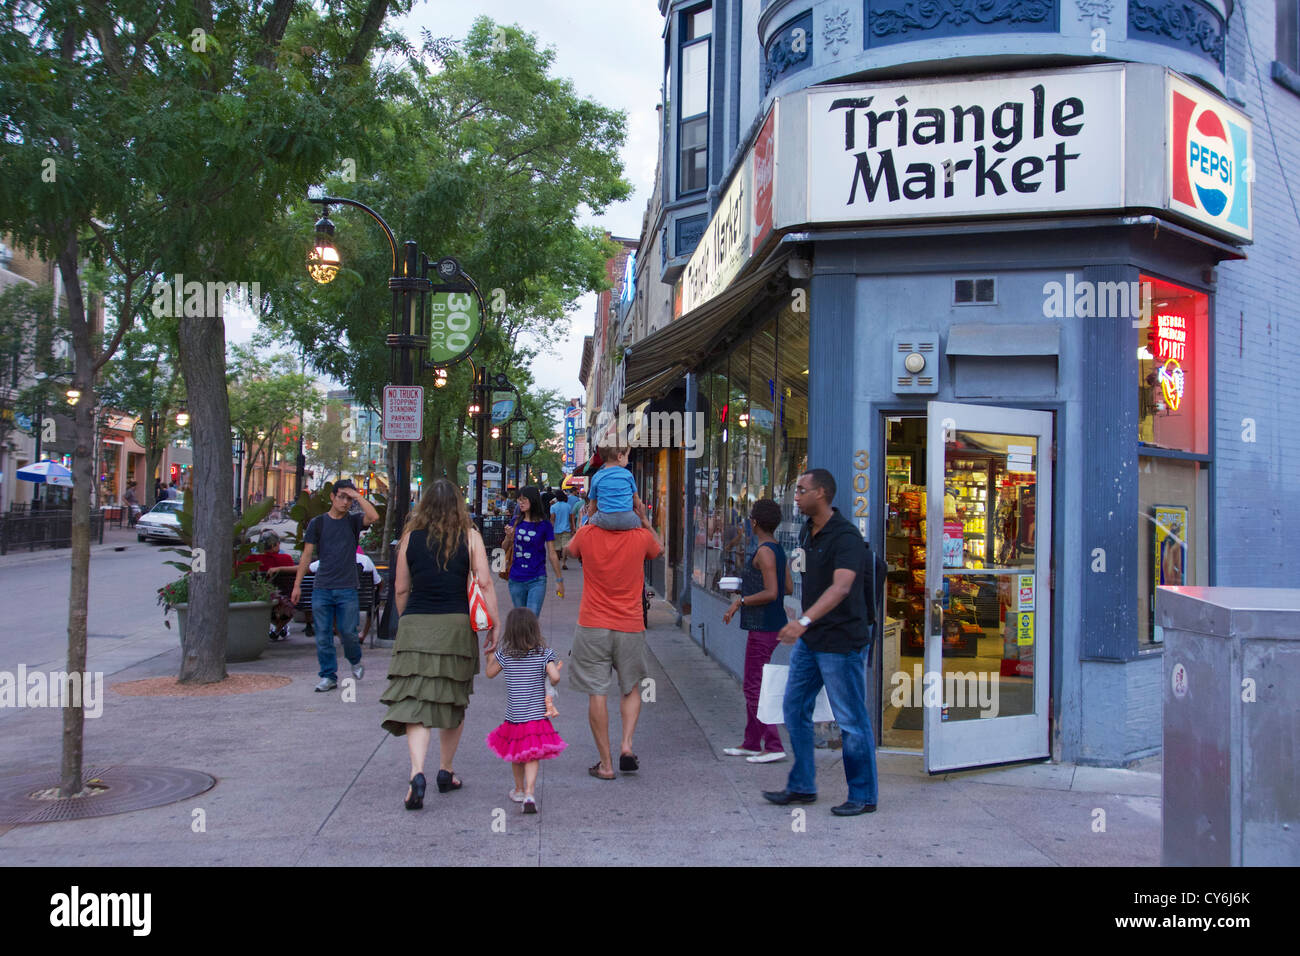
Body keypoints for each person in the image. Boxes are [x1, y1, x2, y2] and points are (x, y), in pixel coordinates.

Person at [763, 468, 879, 817]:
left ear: (822, 494)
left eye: (802, 490)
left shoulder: (846, 537)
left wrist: (803, 621)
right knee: (794, 707)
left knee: (851, 720)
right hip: (812, 641)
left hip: (842, 642)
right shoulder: (807, 531)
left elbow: (841, 587)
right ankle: (802, 785)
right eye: (796, 489)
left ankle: (863, 795)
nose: (795, 496)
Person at [381, 478, 499, 810]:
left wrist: (408, 622)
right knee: (452, 698)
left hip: (416, 624)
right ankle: (445, 771)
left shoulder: (409, 538)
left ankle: (417, 772)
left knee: (416, 701)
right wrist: (495, 623)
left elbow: (401, 589)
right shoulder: (471, 536)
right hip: (456, 625)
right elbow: (486, 583)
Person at [565, 496, 663, 779]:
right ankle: (627, 746)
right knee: (631, 686)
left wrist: (589, 516)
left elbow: (571, 551)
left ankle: (606, 764)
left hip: (593, 624)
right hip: (630, 624)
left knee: (597, 691)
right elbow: (660, 550)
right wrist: (645, 520)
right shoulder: (641, 536)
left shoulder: (587, 534)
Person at [722, 498, 794, 763]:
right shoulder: (777, 549)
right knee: (755, 684)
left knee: (753, 686)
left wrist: (741, 600)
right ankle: (752, 742)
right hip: (772, 624)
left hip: (762, 625)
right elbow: (788, 588)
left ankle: (773, 745)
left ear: (754, 523)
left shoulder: (763, 551)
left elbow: (773, 591)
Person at [291, 479, 379, 692]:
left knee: (348, 632)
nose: (345, 502)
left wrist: (358, 496)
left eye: (349, 498)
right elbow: (306, 555)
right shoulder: (318, 523)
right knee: (323, 635)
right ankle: (328, 675)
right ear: (332, 497)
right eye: (342, 496)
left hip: (347, 587)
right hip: (322, 588)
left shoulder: (353, 521)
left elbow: (374, 517)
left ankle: (355, 660)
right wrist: (297, 585)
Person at [485, 607, 566, 814]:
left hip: (515, 717)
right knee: (532, 756)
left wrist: (490, 657)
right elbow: (555, 678)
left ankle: (519, 789)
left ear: (510, 631)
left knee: (517, 754)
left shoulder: (505, 655)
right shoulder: (544, 653)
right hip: (536, 717)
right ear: (534, 630)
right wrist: (553, 672)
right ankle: (530, 792)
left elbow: (489, 674)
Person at [506, 486, 562, 614]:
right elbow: (504, 547)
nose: (521, 503)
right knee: (520, 620)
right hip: (516, 578)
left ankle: (530, 635)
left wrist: (559, 579)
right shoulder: (515, 521)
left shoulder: (545, 525)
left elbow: (552, 553)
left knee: (531, 618)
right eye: (519, 500)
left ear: (533, 500)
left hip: (537, 578)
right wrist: (509, 538)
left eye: (524, 499)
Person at [250, 531, 297, 640]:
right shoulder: (286, 559)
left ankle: (278, 628)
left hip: (261, 597)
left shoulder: (252, 559)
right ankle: (278, 629)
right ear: (274, 545)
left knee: (271, 603)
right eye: (278, 543)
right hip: (285, 598)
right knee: (289, 605)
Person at [585, 445, 643, 531]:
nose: (627, 459)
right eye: (627, 456)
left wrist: (590, 520)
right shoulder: (628, 474)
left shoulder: (597, 476)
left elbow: (592, 505)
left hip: (605, 520)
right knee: (638, 522)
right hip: (627, 520)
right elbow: (636, 498)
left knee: (591, 522)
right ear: (620, 456)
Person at [549, 490, 577, 570]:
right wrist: (573, 528)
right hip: (566, 529)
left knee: (557, 547)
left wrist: (551, 528)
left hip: (556, 529)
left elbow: (552, 519)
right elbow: (571, 519)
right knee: (565, 547)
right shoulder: (568, 506)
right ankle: (564, 562)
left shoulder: (553, 507)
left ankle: (557, 561)